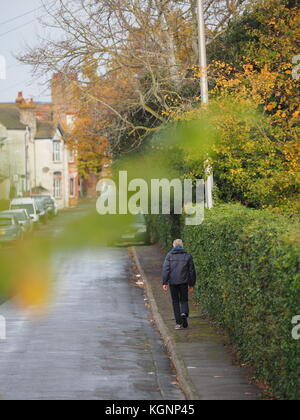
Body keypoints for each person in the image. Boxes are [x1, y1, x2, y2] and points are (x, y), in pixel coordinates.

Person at [162, 239, 196, 330]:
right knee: (184, 300)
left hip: (173, 282)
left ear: (173, 245)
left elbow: (166, 269)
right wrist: (191, 283)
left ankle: (178, 323)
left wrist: (165, 282)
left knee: (175, 302)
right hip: (184, 282)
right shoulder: (187, 256)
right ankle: (184, 313)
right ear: (182, 245)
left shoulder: (169, 256)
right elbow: (191, 271)